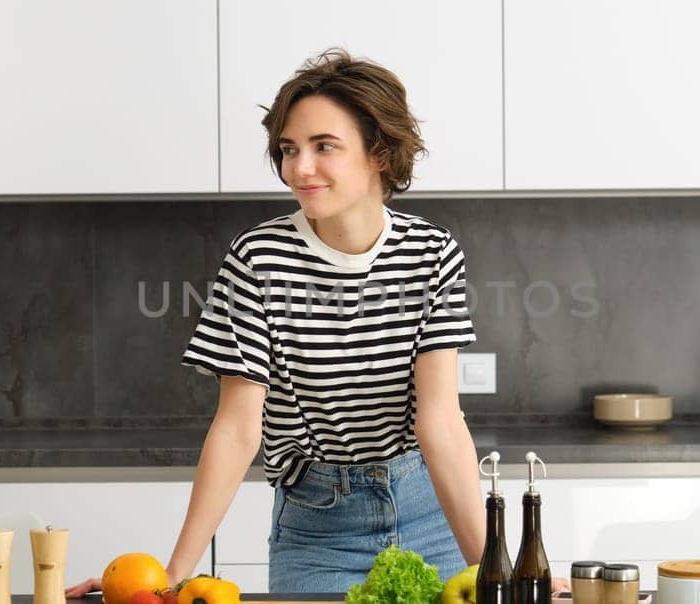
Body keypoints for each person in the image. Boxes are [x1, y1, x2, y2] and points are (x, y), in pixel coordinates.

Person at [68, 48, 484, 597]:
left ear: (378, 153)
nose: (298, 168)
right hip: (318, 529)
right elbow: (239, 428)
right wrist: (172, 576)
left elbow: (440, 423)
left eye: (323, 146)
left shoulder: (430, 253)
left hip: (429, 513)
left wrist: (497, 567)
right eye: (289, 149)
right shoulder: (258, 258)